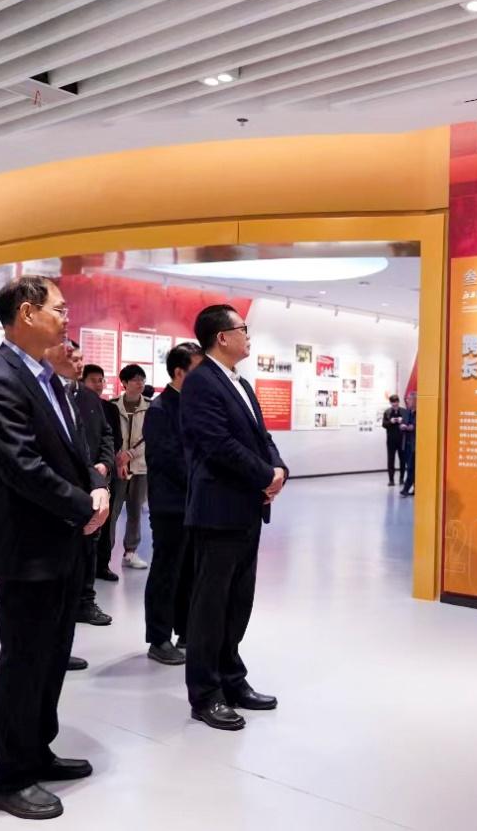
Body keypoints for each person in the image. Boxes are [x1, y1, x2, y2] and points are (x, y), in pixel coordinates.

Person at [0, 276, 110, 819]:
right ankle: (8, 776)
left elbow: (71, 451)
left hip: (60, 544)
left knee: (51, 659)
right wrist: (84, 505)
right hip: (29, 550)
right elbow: (23, 467)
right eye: (59, 308)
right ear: (27, 313)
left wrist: (94, 486)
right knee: (24, 662)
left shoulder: (45, 377)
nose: (67, 317)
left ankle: (36, 750)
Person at [181, 304, 288, 731]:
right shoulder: (201, 382)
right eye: (243, 328)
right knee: (210, 606)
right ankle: (205, 694)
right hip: (218, 511)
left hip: (246, 509)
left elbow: (261, 436)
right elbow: (218, 444)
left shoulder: (238, 381)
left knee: (237, 601)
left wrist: (278, 469)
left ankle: (231, 679)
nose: (249, 335)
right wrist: (264, 475)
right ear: (222, 337)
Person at [45, 342, 115, 632]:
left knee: (89, 547)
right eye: (73, 357)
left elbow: (106, 434)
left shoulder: (88, 398)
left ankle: (85, 601)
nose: (79, 363)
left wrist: (104, 465)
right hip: (62, 490)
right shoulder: (45, 395)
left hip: (92, 486)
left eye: (81, 358)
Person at [143, 341, 203, 666]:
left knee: (189, 570)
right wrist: (201, 479)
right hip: (170, 505)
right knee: (166, 571)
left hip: (194, 503)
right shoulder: (160, 409)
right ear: (179, 373)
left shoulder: (194, 404)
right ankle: (158, 637)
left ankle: (186, 630)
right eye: (197, 369)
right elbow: (167, 459)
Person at [81, 364, 124, 582]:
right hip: (82, 473)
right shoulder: (73, 404)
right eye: (93, 380)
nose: (98, 385)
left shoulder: (110, 409)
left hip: (105, 472)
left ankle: (102, 565)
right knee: (85, 522)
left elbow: (115, 438)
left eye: (101, 380)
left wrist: (105, 464)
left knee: (106, 521)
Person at [110, 364, 150, 573]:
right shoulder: (112, 406)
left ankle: (131, 552)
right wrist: (119, 457)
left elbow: (151, 437)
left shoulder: (151, 407)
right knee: (113, 511)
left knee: (135, 511)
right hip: (117, 467)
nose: (140, 383)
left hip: (140, 468)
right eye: (135, 379)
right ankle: (104, 553)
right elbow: (108, 434)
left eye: (142, 379)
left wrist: (130, 455)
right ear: (124, 383)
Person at [382, 394, 406, 486]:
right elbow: (384, 424)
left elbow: (408, 422)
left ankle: (401, 479)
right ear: (390, 403)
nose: (395, 404)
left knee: (402, 459)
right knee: (391, 460)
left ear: (398, 402)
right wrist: (390, 422)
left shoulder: (404, 411)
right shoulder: (387, 412)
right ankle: (391, 480)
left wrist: (402, 420)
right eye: (393, 402)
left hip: (402, 439)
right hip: (391, 440)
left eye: (396, 402)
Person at [399, 392, 417, 497]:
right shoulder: (407, 413)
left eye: (409, 399)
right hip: (406, 444)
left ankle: (405, 489)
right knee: (410, 467)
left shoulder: (421, 413)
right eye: (407, 399)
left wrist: (412, 427)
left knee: (411, 468)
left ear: (416, 400)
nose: (407, 401)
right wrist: (402, 426)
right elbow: (403, 423)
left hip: (415, 444)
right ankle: (416, 488)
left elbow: (419, 426)